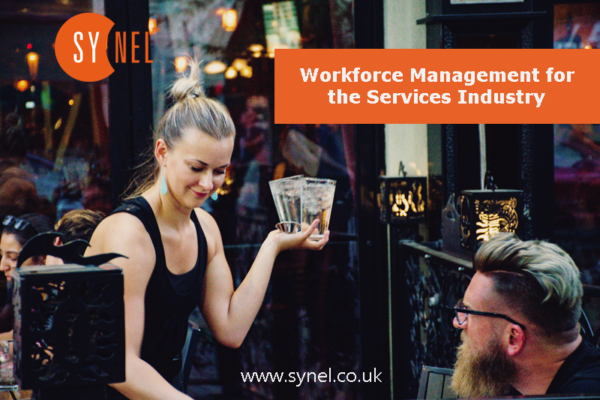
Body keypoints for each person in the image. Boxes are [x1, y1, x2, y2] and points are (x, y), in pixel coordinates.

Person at [85, 60, 329, 400]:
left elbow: (231, 328)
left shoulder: (205, 228)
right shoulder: (128, 235)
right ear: (162, 152)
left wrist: (273, 245)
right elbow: (119, 363)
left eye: (219, 170)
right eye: (196, 167)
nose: (207, 183)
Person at [450, 233, 600, 397]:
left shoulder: (584, 393)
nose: (457, 322)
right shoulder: (507, 380)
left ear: (513, 338)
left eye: (468, 311)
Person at [0, 213, 54, 337]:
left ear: (43, 256)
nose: (2, 267)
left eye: (13, 258)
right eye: (1, 255)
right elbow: (17, 335)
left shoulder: (60, 298)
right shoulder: (26, 290)